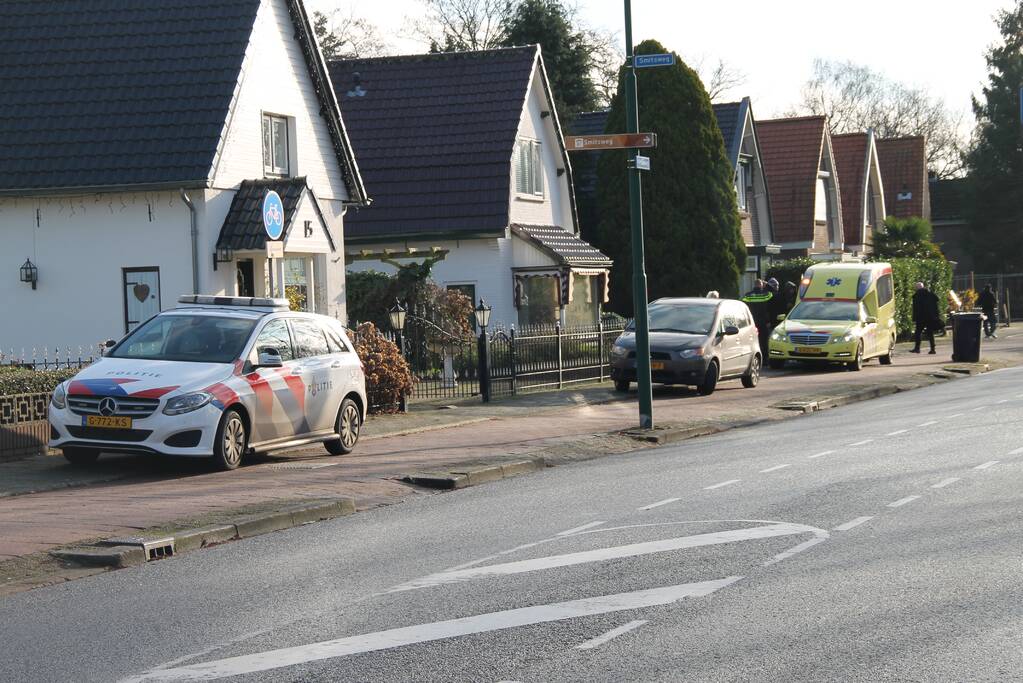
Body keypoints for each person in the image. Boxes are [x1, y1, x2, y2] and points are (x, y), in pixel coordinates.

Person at [742, 279, 774, 354]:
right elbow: (773, 292)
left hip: (752, 322)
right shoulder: (766, 294)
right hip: (764, 322)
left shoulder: (748, 295)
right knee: (764, 340)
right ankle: (765, 358)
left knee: (753, 340)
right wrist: (767, 285)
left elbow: (743, 305)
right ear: (761, 285)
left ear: (754, 285)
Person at [911, 282, 940, 354]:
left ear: (917, 288)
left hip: (920, 318)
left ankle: (917, 348)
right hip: (930, 317)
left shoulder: (916, 296)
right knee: (930, 333)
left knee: (918, 333)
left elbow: (916, 308)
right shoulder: (930, 294)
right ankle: (933, 349)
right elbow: (937, 300)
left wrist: (914, 318)